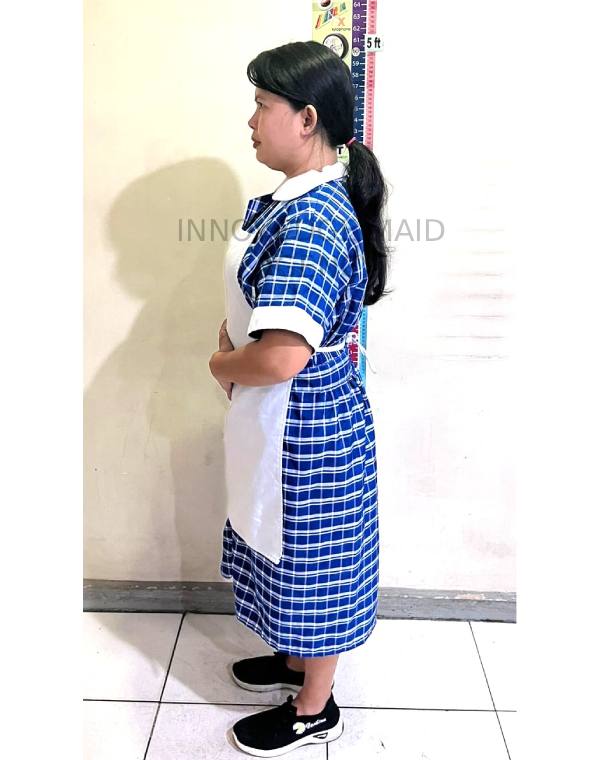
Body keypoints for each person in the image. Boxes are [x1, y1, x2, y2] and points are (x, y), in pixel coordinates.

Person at [209, 40, 391, 756]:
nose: (251, 121)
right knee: (286, 551)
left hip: (307, 425)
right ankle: (294, 663)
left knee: (314, 561)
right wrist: (236, 351)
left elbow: (282, 356)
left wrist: (220, 360)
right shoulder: (296, 200)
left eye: (263, 106)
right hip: (282, 418)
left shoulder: (313, 219)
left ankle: (316, 707)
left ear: (307, 118)